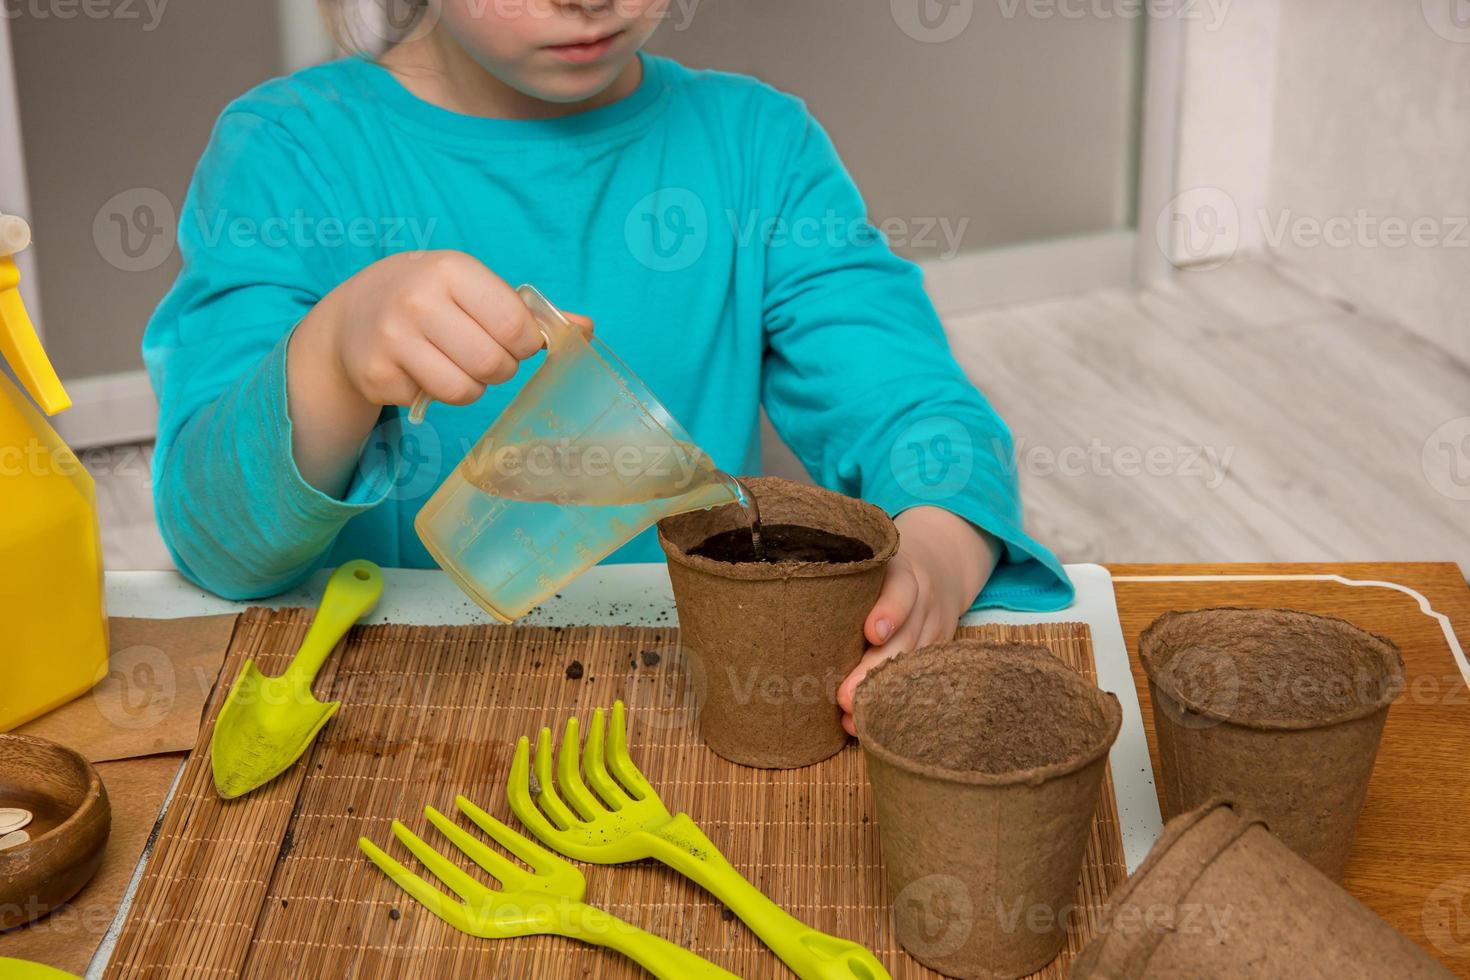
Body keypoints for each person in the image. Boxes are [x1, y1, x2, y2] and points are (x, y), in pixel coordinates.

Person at [143, 0, 1073, 735]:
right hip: (386, 714)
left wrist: (940, 558)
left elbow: (923, 414)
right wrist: (333, 358)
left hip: (691, 701)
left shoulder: (757, 147)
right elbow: (217, 540)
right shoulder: (291, 154)